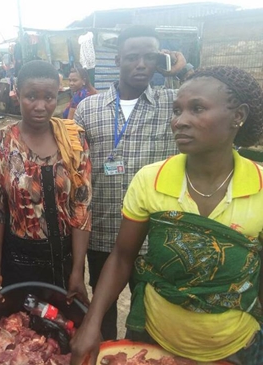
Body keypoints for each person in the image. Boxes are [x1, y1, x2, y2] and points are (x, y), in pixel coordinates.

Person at [70, 66, 263, 365]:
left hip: (234, 346)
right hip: (154, 340)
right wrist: (92, 322)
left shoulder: (260, 186)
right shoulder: (151, 180)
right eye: (177, 110)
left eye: (197, 109)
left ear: (239, 115)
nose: (179, 121)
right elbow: (122, 257)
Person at [74, 25, 193, 340]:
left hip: (155, 238)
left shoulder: (174, 103)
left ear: (160, 60)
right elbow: (76, 172)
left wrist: (184, 70)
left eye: (150, 57)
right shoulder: (89, 108)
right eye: (132, 57)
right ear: (117, 60)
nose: (141, 64)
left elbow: (220, 95)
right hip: (102, 232)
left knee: (151, 318)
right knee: (102, 314)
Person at [0, 60, 92, 304]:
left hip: (64, 260)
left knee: (64, 328)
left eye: (49, 97)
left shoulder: (73, 139)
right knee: (24, 331)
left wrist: (77, 271)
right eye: (31, 96)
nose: (41, 106)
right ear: (17, 95)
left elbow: (81, 207)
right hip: (17, 261)